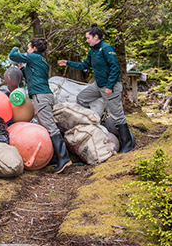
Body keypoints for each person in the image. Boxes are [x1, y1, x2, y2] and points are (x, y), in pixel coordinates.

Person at [57, 24, 135, 153]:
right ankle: (92, 124)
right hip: (98, 85)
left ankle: (127, 145)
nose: (87, 40)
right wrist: (67, 63)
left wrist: (110, 86)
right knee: (81, 98)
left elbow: (115, 68)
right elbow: (84, 65)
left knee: (117, 115)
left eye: (88, 38)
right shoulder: (92, 51)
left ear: (96, 36)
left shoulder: (106, 48)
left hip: (111, 85)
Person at [9, 38, 72, 174]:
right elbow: (28, 76)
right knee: (46, 125)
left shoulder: (34, 57)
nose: (27, 50)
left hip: (41, 96)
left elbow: (13, 56)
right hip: (45, 95)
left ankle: (64, 158)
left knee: (49, 127)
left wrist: (15, 48)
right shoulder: (41, 61)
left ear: (35, 49)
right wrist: (22, 68)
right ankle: (55, 156)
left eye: (29, 47)